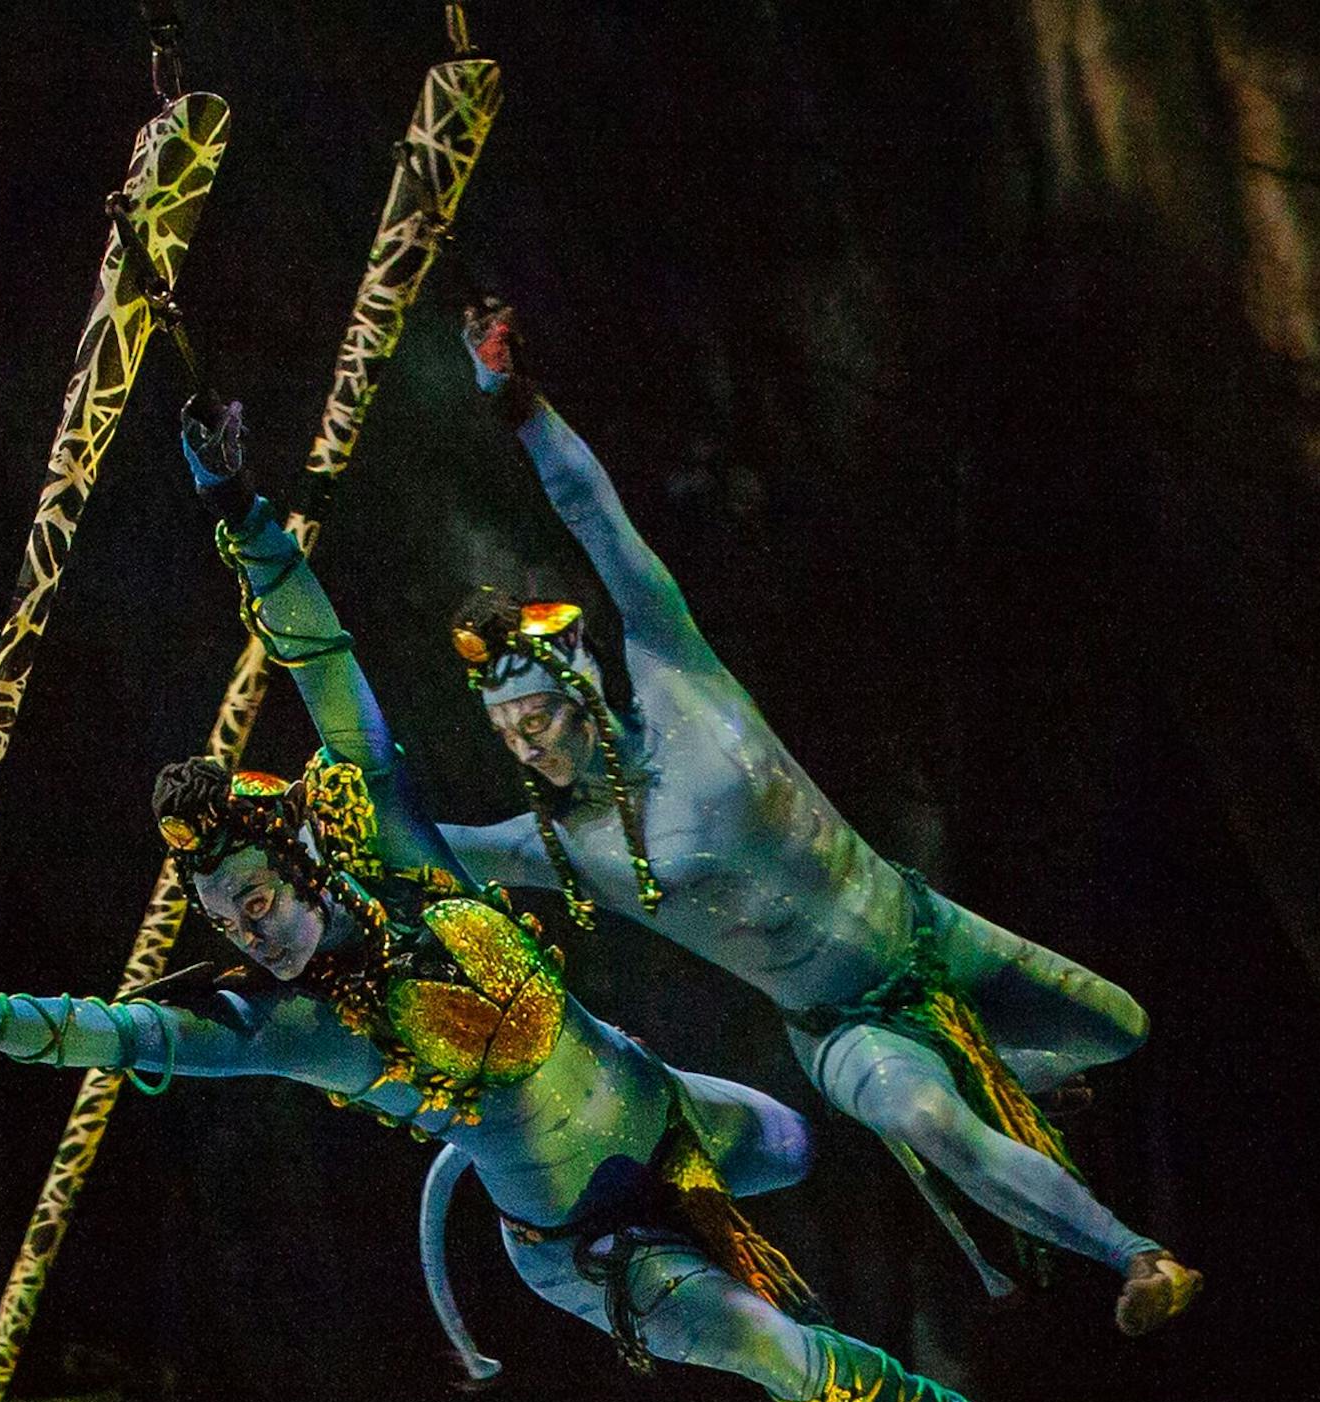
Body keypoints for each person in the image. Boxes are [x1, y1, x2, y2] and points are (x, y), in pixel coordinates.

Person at [0, 402, 1017, 1402]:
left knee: (801, 1142)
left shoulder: (401, 851)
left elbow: (322, 660)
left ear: (306, 864)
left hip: (667, 1116)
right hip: (586, 1249)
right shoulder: (291, 1028)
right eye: (226, 921)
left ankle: (987, 1124)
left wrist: (240, 509)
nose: (248, 933)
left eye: (255, 900)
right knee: (769, 1345)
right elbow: (118, 1033)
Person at [432, 300, 1200, 1336]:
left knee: (1119, 1026)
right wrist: (299, 802)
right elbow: (417, 839)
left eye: (535, 721)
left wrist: (518, 404)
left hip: (922, 932)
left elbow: (598, 520)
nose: (526, 750)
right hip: (842, 1027)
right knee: (924, 1117)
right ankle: (1138, 1259)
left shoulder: (677, 674)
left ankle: (1014, 1072)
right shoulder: (567, 847)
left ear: (583, 690)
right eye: (506, 736)